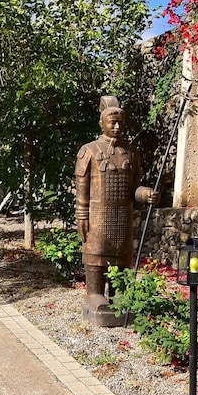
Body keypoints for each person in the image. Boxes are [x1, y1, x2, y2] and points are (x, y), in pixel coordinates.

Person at [75, 96, 159, 326]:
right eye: (112, 122)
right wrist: (81, 214)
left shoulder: (130, 153)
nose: (117, 127)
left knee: (121, 257)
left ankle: (119, 292)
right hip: (98, 217)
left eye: (121, 122)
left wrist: (146, 194)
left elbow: (134, 188)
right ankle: (94, 294)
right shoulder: (89, 151)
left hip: (122, 216)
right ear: (102, 123)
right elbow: (82, 189)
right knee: (97, 254)